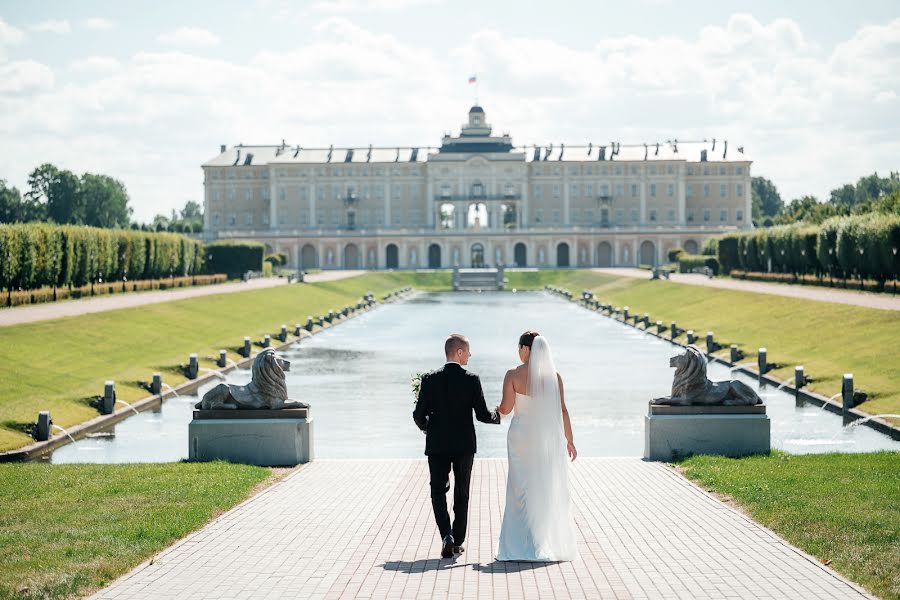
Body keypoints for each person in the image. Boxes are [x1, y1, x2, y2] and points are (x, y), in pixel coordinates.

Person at [413, 334, 501, 559]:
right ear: (459, 352)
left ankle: (446, 536)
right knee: (462, 493)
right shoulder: (471, 379)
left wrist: (427, 428)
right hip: (464, 446)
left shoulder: (429, 379)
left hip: (437, 445)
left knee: (437, 491)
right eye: (468, 351)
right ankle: (458, 540)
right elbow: (482, 415)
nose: (470, 356)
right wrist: (498, 415)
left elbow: (417, 414)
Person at [495, 331, 578, 561]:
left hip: (521, 437)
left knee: (519, 488)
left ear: (525, 349)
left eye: (519, 348)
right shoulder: (555, 377)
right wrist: (569, 441)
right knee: (543, 485)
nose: (518, 352)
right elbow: (562, 410)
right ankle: (541, 540)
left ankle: (519, 543)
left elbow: (506, 409)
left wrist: (494, 411)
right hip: (545, 439)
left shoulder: (513, 374)